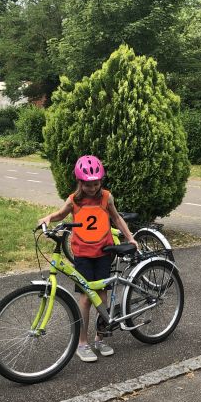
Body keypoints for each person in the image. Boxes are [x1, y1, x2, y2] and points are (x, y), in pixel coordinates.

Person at [37, 154, 138, 363]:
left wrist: (130, 237)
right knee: (85, 299)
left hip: (103, 253)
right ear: (79, 182)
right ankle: (82, 343)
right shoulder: (75, 200)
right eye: (87, 184)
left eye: (96, 183)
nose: (92, 188)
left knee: (100, 297)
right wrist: (48, 218)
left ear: (100, 181)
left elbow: (116, 218)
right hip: (83, 254)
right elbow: (60, 214)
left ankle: (100, 338)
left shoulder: (106, 197)